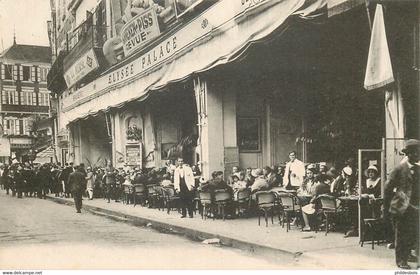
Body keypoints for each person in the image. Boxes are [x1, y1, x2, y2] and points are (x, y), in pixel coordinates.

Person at [384, 139, 419, 269]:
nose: (418, 156)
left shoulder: (418, 169)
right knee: (402, 234)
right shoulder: (399, 169)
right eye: (415, 153)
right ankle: (401, 260)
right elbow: (387, 189)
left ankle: (409, 254)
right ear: (408, 154)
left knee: (412, 233)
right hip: (400, 208)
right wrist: (387, 207)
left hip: (415, 207)